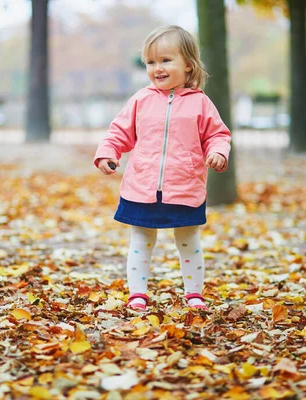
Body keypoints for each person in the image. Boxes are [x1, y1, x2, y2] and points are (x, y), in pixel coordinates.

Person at [94, 25, 231, 311]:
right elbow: (119, 132)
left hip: (185, 185)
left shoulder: (201, 104)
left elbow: (217, 135)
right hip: (142, 186)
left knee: (188, 241)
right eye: (151, 62)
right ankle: (138, 294)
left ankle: (194, 294)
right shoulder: (140, 100)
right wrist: (108, 152)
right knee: (141, 239)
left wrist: (218, 152)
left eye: (166, 60)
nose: (158, 68)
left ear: (188, 65)